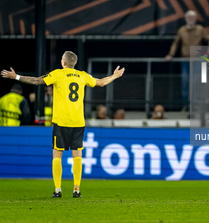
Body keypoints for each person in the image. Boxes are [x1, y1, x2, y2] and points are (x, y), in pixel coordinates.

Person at [1, 51, 124, 198]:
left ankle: (58, 190)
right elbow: (102, 82)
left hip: (61, 122)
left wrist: (16, 76)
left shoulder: (58, 74)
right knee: (77, 155)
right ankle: (76, 190)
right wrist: (115, 76)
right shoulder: (83, 75)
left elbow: (38, 81)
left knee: (57, 155)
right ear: (74, 63)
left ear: (63, 63)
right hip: (78, 122)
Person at [165, 10, 209, 107]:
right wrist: (171, 54)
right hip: (185, 60)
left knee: (196, 81)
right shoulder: (182, 30)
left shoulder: (200, 29)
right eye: (189, 17)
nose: (190, 19)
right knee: (185, 81)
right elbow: (176, 43)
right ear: (186, 19)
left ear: (195, 19)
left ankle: (195, 104)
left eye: (192, 18)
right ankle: (186, 104)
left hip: (197, 60)